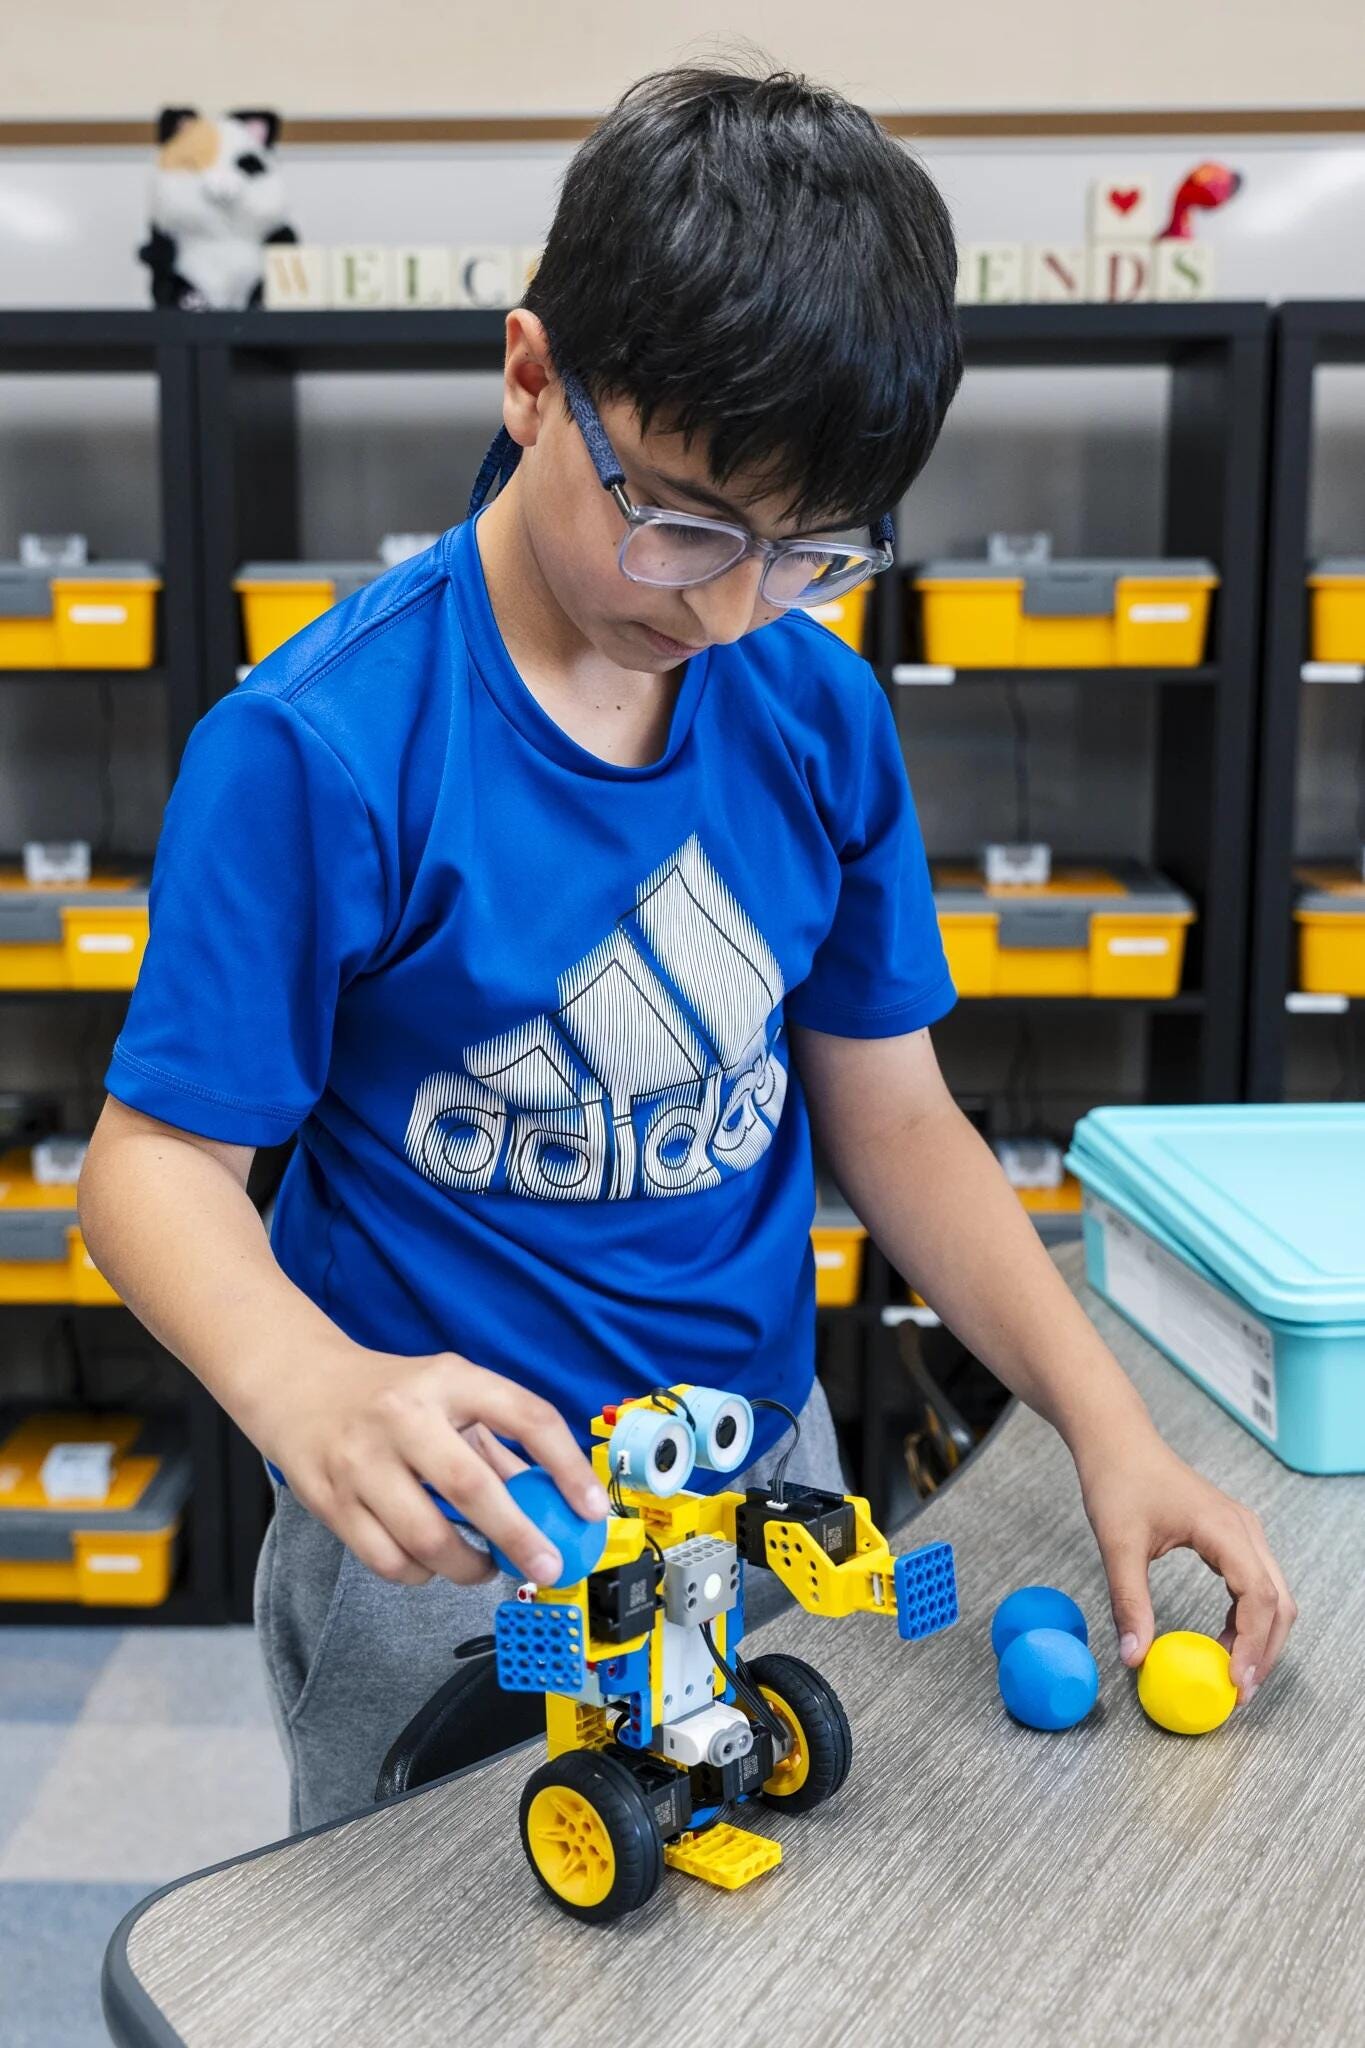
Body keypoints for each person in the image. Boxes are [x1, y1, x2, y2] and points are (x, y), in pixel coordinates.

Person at [78, 62, 1295, 1832]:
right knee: (429, 1930)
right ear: (531, 378)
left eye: (805, 552)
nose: (727, 607)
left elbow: (897, 1120)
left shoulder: (813, 711)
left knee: (760, 1874)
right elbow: (150, 1169)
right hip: (459, 1521)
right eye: (679, 520)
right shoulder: (320, 749)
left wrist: (1109, 1426)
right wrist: (310, 1386)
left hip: (755, 1470)